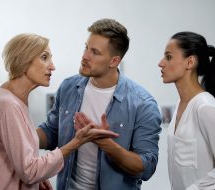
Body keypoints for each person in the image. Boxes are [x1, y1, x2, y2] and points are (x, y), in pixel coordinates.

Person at [0, 33, 118, 190]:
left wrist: (35, 180)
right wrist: (77, 141)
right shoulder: (8, 106)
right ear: (23, 61)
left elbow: (16, 158)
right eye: (44, 57)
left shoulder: (11, 99)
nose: (52, 66)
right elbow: (30, 170)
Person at [37, 18, 162, 190]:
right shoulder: (68, 87)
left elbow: (147, 167)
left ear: (114, 61)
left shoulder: (143, 104)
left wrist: (105, 144)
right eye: (86, 47)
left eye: (95, 52)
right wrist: (19, 136)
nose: (85, 56)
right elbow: (50, 132)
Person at [158, 31, 215, 190]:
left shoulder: (205, 107)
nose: (161, 63)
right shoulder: (181, 105)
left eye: (168, 57)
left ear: (190, 62)